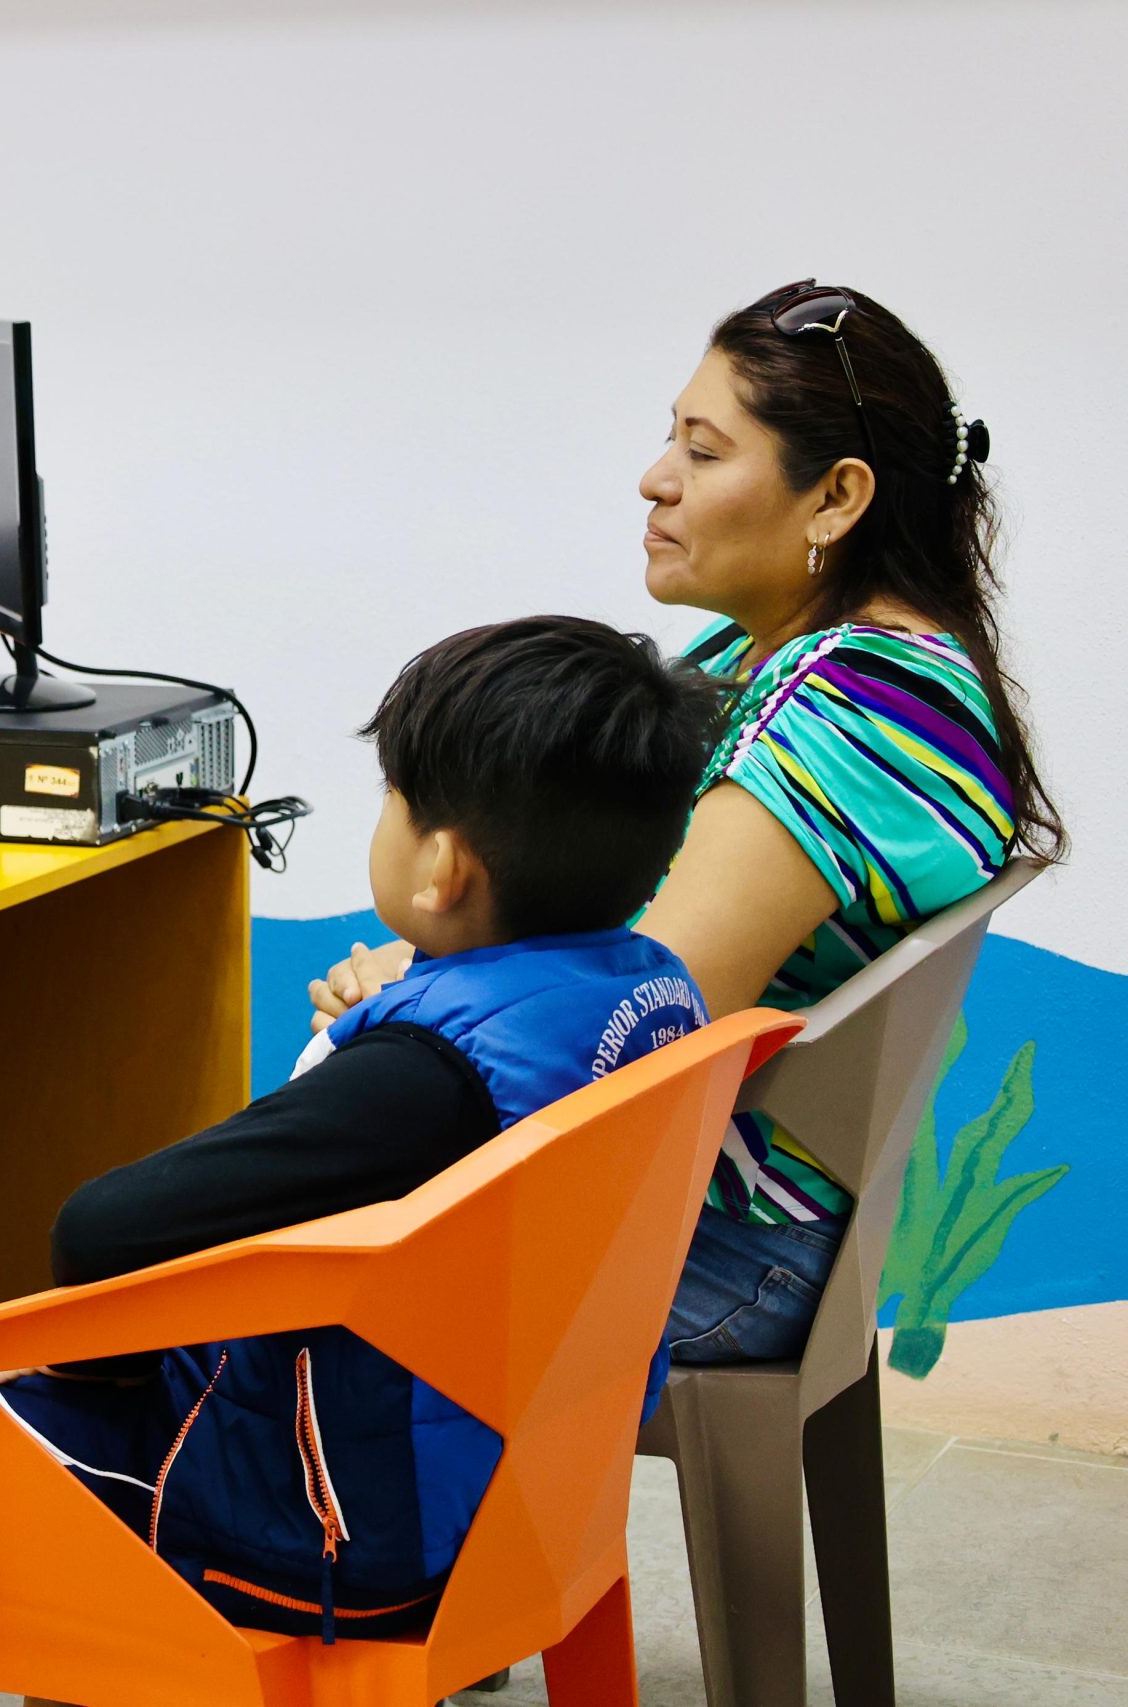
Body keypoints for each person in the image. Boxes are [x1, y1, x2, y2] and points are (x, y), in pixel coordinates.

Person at [0, 616, 724, 1691]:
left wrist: (96, 1379)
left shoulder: (419, 1081)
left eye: (394, 796)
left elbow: (102, 1232)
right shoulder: (650, 990)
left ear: (442, 866)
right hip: (522, 1488)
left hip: (323, 1530)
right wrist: (416, 995)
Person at [313, 280, 1063, 1366]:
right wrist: (430, 974)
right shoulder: (762, 655)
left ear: (836, 497)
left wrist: (421, 995)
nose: (655, 478)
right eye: (671, 438)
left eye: (704, 453)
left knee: (248, 1275)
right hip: (672, 1194)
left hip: (717, 1237)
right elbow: (585, 935)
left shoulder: (855, 709)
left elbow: (634, 1025)